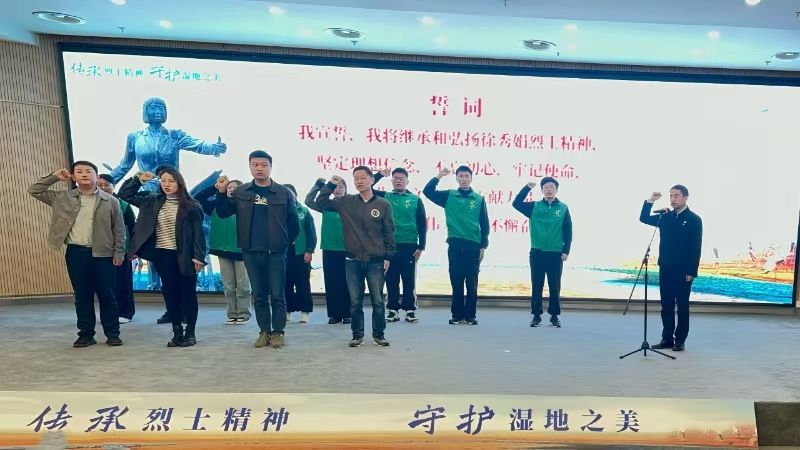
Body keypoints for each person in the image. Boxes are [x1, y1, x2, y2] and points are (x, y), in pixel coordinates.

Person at [28, 161, 125, 347]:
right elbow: (35, 190)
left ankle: (113, 333)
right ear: (73, 177)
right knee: (82, 296)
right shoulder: (62, 197)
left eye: (89, 171)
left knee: (107, 295)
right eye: (79, 172)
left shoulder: (110, 200)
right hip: (76, 253)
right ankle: (86, 335)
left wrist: (119, 252)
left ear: (97, 176)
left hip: (104, 254)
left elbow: (119, 229)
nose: (84, 174)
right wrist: (54, 177)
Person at [215, 151, 299, 349]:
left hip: (276, 252)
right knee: (259, 294)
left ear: (270, 167)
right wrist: (221, 193)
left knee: (277, 293)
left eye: (264, 165)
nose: (259, 168)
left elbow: (294, 224)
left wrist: (283, 244)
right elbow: (223, 212)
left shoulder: (283, 192)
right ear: (250, 167)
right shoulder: (242, 192)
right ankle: (264, 331)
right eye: (255, 165)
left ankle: (278, 332)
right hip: (251, 251)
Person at [120, 166, 207, 347]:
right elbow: (125, 195)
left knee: (188, 294)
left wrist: (199, 256)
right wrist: (138, 180)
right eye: (163, 181)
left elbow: (199, 235)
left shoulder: (192, 206)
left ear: (179, 183)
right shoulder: (152, 201)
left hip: (185, 256)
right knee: (170, 294)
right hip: (162, 254)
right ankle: (177, 332)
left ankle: (190, 332)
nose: (166, 184)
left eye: (171, 181)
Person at [315, 166, 396, 347]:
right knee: (355, 302)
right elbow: (321, 202)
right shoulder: (346, 202)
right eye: (356, 178)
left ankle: (379, 334)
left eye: (363, 178)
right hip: (352, 261)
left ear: (372, 180)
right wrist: (330, 185)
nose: (359, 181)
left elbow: (389, 232)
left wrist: (388, 256)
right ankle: (357, 335)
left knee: (378, 301)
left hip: (376, 261)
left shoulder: (383, 204)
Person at [107, 97, 227, 190]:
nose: (158, 111)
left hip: (172, 188)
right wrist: (107, 181)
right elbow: (124, 166)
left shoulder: (174, 135)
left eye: (161, 108)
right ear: (145, 111)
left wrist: (213, 148)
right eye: (153, 108)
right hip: (147, 189)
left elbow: (197, 144)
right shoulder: (135, 137)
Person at [423, 166, 489, 325]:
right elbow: (428, 192)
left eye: (467, 176)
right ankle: (457, 315)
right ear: (457, 178)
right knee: (456, 282)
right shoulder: (449, 196)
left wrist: (483, 246)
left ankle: (470, 315)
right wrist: (439, 175)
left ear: (471, 178)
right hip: (455, 245)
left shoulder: (479, 199)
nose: (464, 179)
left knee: (472, 283)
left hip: (473, 247)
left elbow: (484, 224)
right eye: (461, 176)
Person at [639, 185, 702, 352]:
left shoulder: (694, 219)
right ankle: (667, 339)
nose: (673, 199)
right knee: (666, 306)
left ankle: (680, 340)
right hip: (666, 268)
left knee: (682, 307)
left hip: (683, 272)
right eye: (671, 196)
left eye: (676, 196)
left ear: (685, 197)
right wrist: (651, 201)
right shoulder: (665, 217)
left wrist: (691, 271)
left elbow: (696, 248)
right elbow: (643, 218)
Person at [512, 177, 573, 328]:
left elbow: (568, 230)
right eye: (546, 187)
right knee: (537, 284)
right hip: (537, 252)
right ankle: (536, 315)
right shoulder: (534, 206)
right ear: (541, 190)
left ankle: (554, 316)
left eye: (552, 187)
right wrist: (527, 188)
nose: (549, 189)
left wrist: (566, 250)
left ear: (556, 190)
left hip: (555, 253)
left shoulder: (563, 208)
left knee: (554, 286)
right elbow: (516, 204)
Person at [373, 168, 427, 323]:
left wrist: (421, 246)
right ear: (391, 181)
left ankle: (410, 310)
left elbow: (422, 224)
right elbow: (369, 187)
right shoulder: (385, 197)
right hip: (389, 246)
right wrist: (379, 175)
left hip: (409, 245)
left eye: (401, 178)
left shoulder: (415, 199)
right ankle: (393, 310)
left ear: (407, 181)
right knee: (391, 278)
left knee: (409, 279)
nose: (398, 181)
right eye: (395, 178)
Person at [196, 179, 252, 324]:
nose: (231, 189)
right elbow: (199, 198)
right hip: (222, 249)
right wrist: (215, 187)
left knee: (243, 285)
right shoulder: (217, 205)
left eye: (234, 187)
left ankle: (244, 313)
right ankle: (232, 313)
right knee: (228, 285)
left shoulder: (245, 205)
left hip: (241, 250)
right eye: (229, 187)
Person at [306, 177, 352, 325]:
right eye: (335, 187)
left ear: (346, 189)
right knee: (331, 282)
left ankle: (347, 314)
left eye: (341, 187)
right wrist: (318, 185)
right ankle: (334, 314)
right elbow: (309, 201)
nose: (338, 189)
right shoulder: (326, 205)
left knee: (347, 282)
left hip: (348, 249)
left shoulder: (352, 205)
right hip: (329, 248)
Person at [98, 174, 138, 324]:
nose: (103, 188)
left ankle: (125, 312)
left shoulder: (124, 205)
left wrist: (133, 250)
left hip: (122, 250)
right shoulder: (93, 203)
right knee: (105, 284)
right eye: (99, 185)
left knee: (123, 282)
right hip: (101, 250)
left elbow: (133, 229)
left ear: (113, 186)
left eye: (107, 185)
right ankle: (109, 313)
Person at [284, 184, 317, 324]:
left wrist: (309, 250)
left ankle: (305, 311)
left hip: (301, 251)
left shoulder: (304, 211)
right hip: (284, 252)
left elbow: (311, 232)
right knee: (285, 282)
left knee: (302, 282)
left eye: (290, 193)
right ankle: (287, 310)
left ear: (295, 195)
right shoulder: (277, 210)